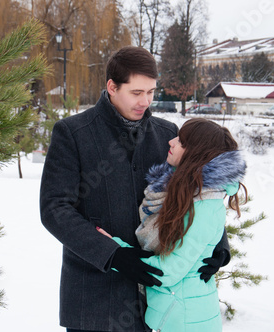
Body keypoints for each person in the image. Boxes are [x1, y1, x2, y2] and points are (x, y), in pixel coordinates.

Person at [40, 46, 230, 332]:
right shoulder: (73, 133)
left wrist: (219, 245)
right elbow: (55, 209)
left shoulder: (167, 135)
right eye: (136, 92)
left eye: (151, 92)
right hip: (93, 298)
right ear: (112, 87)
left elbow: (199, 189)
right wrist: (112, 254)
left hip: (157, 304)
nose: (146, 101)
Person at [98, 118, 247, 331]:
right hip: (174, 314)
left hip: (184, 320)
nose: (171, 141)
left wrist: (114, 250)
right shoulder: (186, 192)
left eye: (182, 141)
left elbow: (167, 272)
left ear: (196, 154)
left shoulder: (202, 206)